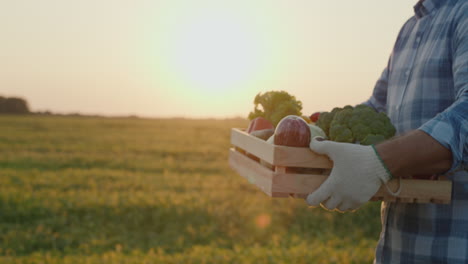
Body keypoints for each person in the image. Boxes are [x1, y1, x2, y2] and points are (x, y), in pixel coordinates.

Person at [305, 0, 467, 263]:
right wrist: (317, 128)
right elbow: (378, 108)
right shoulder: (409, 28)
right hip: (399, 250)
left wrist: (379, 162)